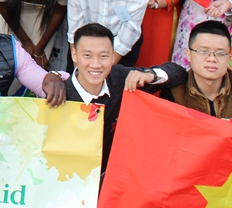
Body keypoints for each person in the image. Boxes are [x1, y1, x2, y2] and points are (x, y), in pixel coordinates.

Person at [64, 23, 184, 175]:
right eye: (87, 55)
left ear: (113, 55)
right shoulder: (60, 93)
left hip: (112, 178)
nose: (95, 64)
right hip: (69, 180)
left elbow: (178, 73)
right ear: (74, 54)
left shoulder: (119, 78)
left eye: (104, 56)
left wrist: (150, 75)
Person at [159, 20, 232, 139]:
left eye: (220, 53)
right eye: (203, 51)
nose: (212, 59)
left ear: (229, 57)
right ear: (189, 54)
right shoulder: (174, 92)